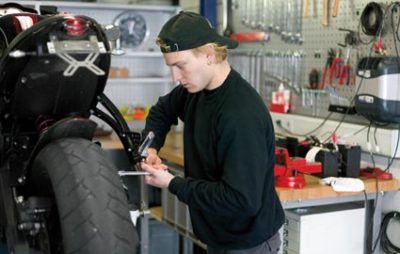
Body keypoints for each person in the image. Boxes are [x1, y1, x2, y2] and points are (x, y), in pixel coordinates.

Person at [140, 11, 285, 254]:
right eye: (171, 67)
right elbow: (162, 110)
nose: (175, 77)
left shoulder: (240, 115)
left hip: (249, 243)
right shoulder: (194, 90)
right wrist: (151, 146)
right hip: (218, 236)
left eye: (180, 66)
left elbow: (241, 200)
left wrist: (173, 183)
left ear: (209, 55)